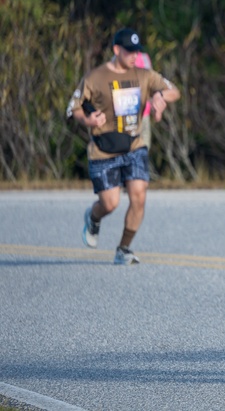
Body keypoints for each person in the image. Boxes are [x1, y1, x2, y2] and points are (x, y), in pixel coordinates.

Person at [66, 28, 181, 265]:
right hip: (103, 150)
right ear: (116, 50)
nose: (133, 57)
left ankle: (124, 248)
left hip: (134, 146)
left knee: (139, 196)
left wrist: (161, 97)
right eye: (129, 52)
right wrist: (87, 120)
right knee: (110, 203)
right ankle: (94, 216)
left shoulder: (144, 74)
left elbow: (173, 90)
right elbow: (74, 107)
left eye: (136, 52)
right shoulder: (95, 77)